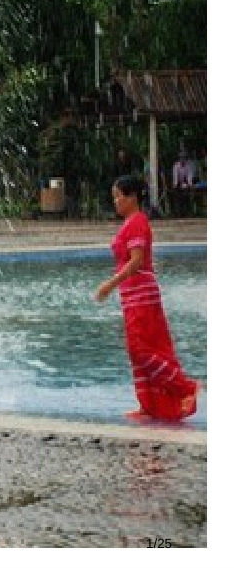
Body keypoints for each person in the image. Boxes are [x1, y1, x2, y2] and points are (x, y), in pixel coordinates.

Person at [94, 175, 198, 422]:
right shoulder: (131, 222)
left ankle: (185, 388)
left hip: (142, 294)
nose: (116, 201)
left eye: (119, 196)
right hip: (132, 295)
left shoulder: (138, 222)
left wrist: (109, 284)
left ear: (132, 197)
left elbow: (137, 260)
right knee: (137, 349)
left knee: (141, 349)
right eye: (115, 197)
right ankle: (150, 405)